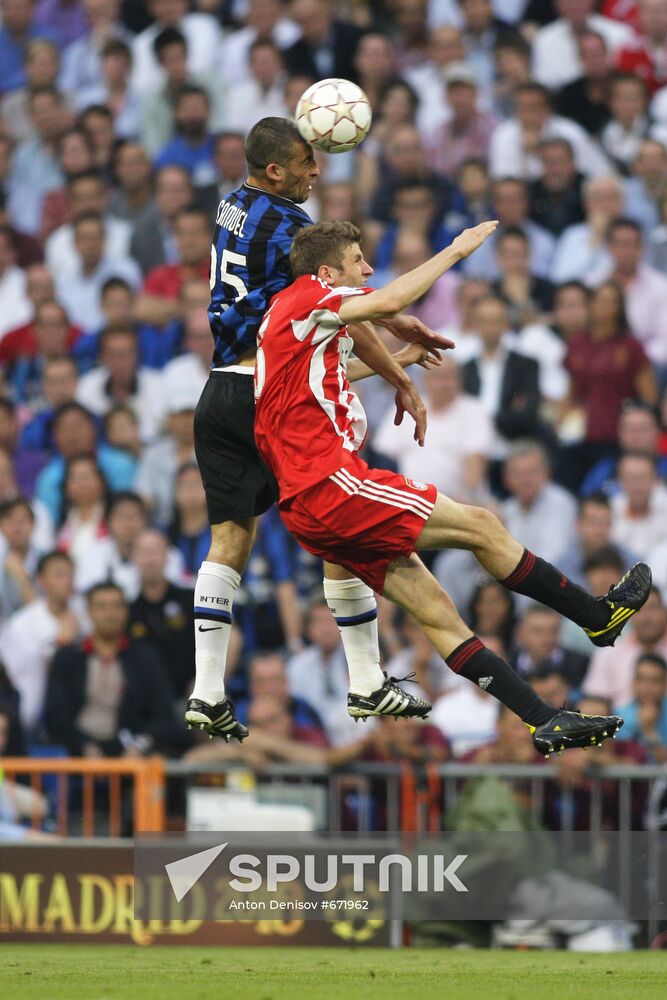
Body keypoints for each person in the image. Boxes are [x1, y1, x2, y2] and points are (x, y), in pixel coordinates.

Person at [253, 218, 652, 756]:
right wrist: (456, 251)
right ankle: (597, 617)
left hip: (309, 508)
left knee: (438, 615)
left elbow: (328, 377)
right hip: (332, 485)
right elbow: (392, 298)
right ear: (327, 273)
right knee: (483, 525)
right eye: (356, 262)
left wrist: (398, 364)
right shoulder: (308, 299)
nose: (367, 270)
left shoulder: (288, 320)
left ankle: (542, 719)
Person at [185, 117, 453, 743]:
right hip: (266, 394)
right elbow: (341, 313)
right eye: (308, 161)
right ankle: (365, 678)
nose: (318, 169)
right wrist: (398, 370)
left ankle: (206, 692)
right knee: (337, 521)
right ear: (275, 170)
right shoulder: (292, 230)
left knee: (228, 542)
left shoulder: (232, 205)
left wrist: (396, 337)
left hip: (219, 388)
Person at [45, 581, 180, 757]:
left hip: (130, 754)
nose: (110, 614)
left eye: (117, 606)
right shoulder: (68, 657)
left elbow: (163, 714)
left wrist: (139, 746)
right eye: (102, 607)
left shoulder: (144, 657)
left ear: (126, 611)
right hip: (76, 755)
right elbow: (55, 716)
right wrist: (83, 746)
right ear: (89, 612)